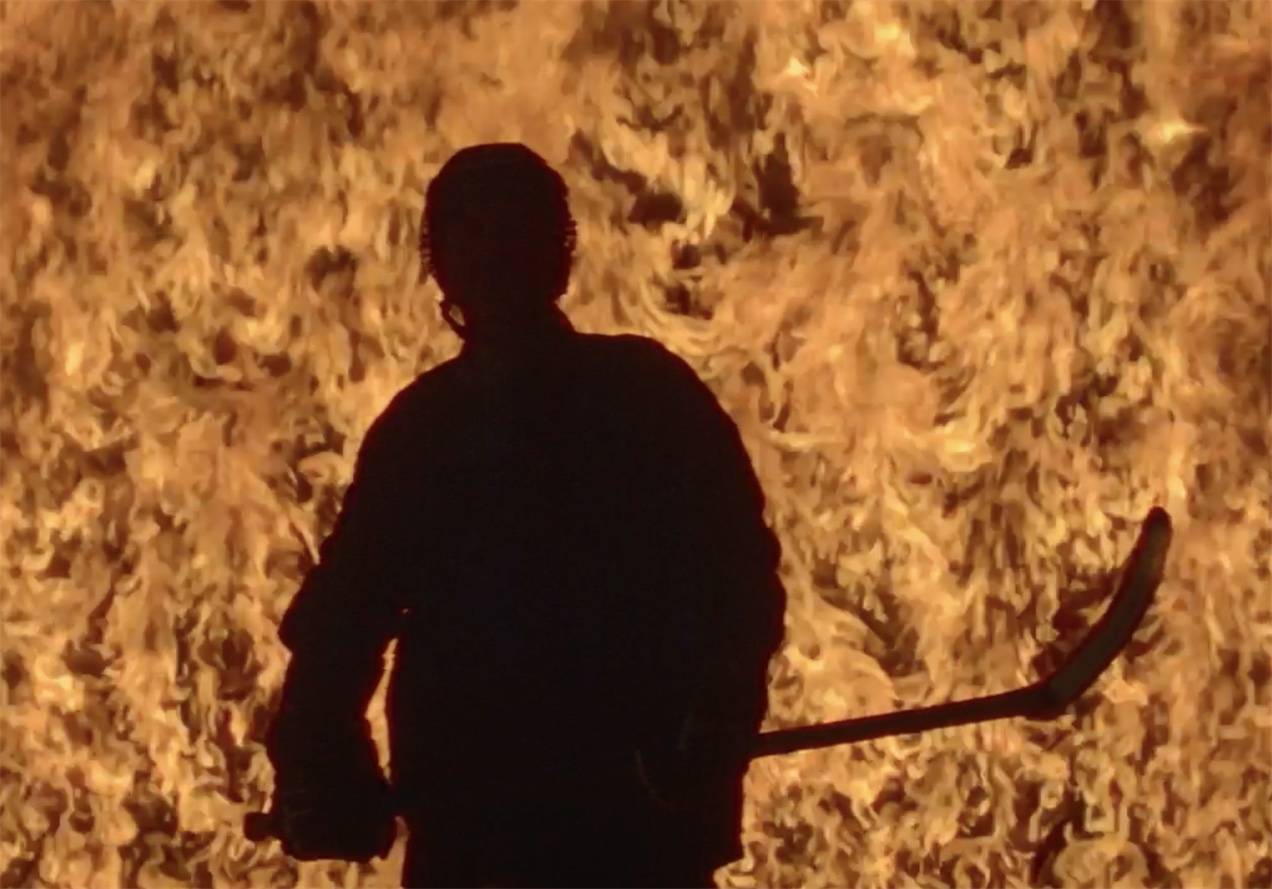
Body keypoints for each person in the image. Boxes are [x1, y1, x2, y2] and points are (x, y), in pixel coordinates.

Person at [263, 142, 787, 888]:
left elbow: (736, 576)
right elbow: (345, 614)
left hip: (632, 815)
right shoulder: (422, 429)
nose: (495, 253)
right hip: (476, 824)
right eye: (472, 232)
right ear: (441, 259)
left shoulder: (645, 396)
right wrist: (319, 756)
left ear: (556, 250)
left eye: (515, 229)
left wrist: (718, 710)